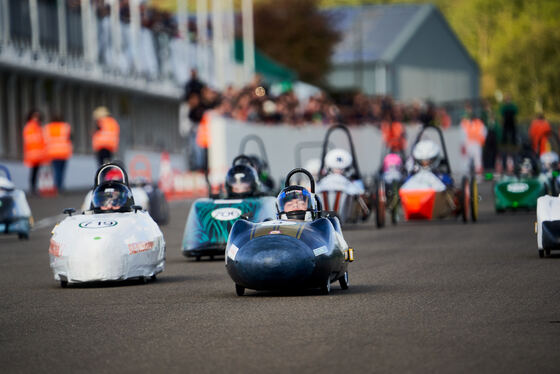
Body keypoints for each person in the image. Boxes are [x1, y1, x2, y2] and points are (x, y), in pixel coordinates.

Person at [43, 115, 73, 192]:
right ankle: (60, 186)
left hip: (53, 152)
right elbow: (70, 138)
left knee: (56, 171)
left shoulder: (48, 127)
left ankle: (57, 186)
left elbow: (45, 140)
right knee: (62, 170)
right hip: (63, 152)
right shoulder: (65, 126)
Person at [22, 109, 46, 194]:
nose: (36, 118)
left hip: (38, 154)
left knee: (36, 172)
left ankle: (34, 188)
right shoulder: (30, 127)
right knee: (33, 172)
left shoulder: (38, 127)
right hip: (33, 154)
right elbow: (30, 141)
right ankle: (33, 188)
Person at [460, 106, 487, 176]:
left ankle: (477, 176)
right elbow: (462, 134)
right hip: (469, 145)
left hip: (475, 144)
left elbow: (484, 133)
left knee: (476, 162)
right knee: (467, 163)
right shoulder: (465, 123)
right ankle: (467, 177)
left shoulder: (478, 123)